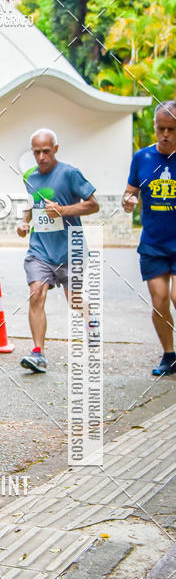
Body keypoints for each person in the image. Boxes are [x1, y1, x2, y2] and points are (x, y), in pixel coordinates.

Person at [17, 128, 99, 372]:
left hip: (69, 249)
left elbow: (93, 205)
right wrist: (24, 221)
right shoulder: (30, 176)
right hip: (40, 249)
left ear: (56, 149)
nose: (41, 157)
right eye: (36, 152)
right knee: (36, 294)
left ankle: (91, 323)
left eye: (46, 151)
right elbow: (32, 204)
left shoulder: (70, 174)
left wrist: (63, 210)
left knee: (73, 299)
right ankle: (38, 353)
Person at [123, 100, 176, 376]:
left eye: (171, 129)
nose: (165, 135)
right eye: (161, 128)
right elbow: (131, 190)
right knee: (159, 301)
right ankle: (170, 356)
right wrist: (129, 200)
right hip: (154, 243)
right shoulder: (142, 158)